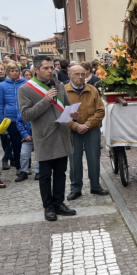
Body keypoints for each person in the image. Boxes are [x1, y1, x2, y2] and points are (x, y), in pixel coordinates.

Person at [18, 55, 80, 221]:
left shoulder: (58, 84)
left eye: (51, 68)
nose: (50, 71)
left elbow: (66, 106)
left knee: (60, 173)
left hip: (61, 134)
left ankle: (59, 203)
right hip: (44, 136)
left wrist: (72, 114)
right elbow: (26, 115)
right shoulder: (25, 89)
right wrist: (45, 100)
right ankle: (48, 206)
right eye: (46, 68)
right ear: (36, 70)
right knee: (45, 175)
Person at [65, 65, 108, 200]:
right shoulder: (63, 91)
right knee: (74, 160)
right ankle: (75, 188)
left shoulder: (93, 90)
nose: (80, 77)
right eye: (77, 74)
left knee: (94, 159)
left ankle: (95, 186)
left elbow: (100, 110)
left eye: (83, 74)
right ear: (69, 76)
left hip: (91, 130)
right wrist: (75, 125)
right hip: (72, 131)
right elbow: (59, 113)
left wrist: (87, 125)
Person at [0, 63, 27, 173]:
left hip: (24, 117)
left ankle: (26, 164)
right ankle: (18, 166)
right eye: (12, 71)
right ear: (8, 71)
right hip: (10, 118)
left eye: (16, 70)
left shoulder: (26, 83)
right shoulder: (2, 85)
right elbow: (1, 103)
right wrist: (2, 120)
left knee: (27, 142)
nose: (14, 73)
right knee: (16, 144)